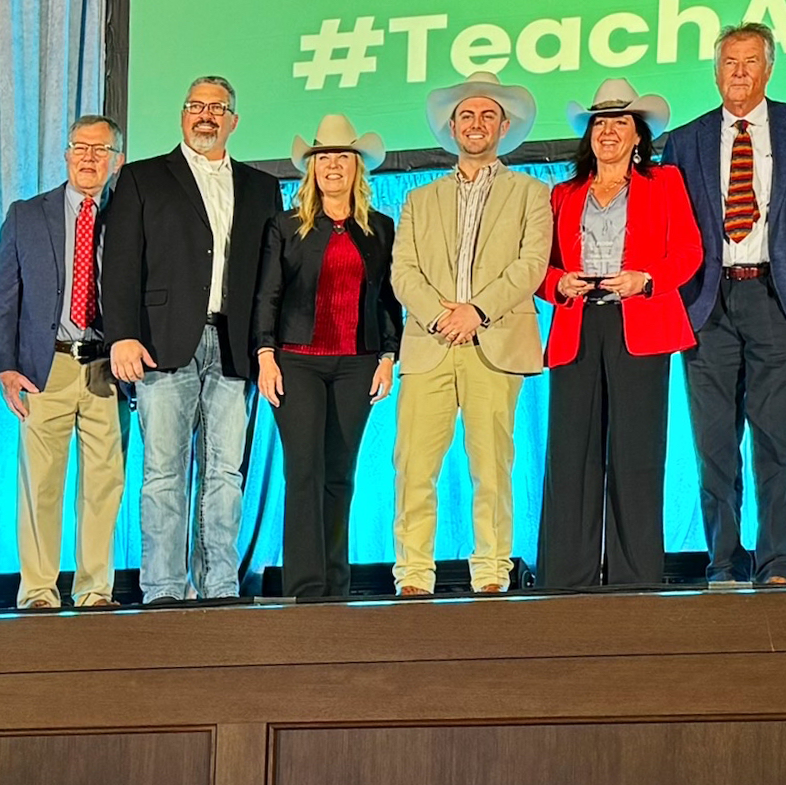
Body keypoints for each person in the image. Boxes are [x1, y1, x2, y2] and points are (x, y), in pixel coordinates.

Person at [662, 22, 786, 586]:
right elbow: (675, 225)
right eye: (729, 63)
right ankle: (724, 561)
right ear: (716, 73)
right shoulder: (684, 141)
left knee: (778, 439)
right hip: (706, 303)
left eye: (750, 61)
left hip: (775, 297)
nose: (739, 72)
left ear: (769, 69)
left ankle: (780, 560)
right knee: (714, 443)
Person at [104, 76, 283, 604]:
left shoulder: (261, 187)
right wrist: (122, 335)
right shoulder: (142, 177)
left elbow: (269, 277)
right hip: (161, 345)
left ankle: (219, 588)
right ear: (183, 114)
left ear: (234, 120)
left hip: (233, 345)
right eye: (195, 106)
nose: (205, 115)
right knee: (163, 473)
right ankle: (163, 589)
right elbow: (120, 264)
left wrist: (266, 346)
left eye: (217, 108)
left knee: (225, 473)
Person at [390, 73, 552, 595]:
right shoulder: (419, 199)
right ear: (452, 126)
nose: (476, 123)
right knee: (413, 467)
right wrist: (442, 316)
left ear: (504, 126)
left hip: (494, 344)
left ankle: (491, 572)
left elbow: (531, 266)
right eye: (466, 115)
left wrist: (476, 312)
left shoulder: (532, 193)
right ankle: (413, 574)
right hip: (429, 346)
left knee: (492, 466)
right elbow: (403, 272)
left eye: (487, 115)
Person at [537, 79, 702, 588]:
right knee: (570, 453)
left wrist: (646, 280)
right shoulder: (563, 194)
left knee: (638, 454)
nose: (608, 131)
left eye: (620, 122)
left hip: (641, 321)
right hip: (577, 323)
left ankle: (636, 577)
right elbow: (538, 268)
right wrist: (557, 283)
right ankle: (567, 576)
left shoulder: (665, 182)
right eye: (600, 123)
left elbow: (689, 252)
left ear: (638, 136)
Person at [252, 116, 402, 600]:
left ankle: (336, 585)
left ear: (357, 168)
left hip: (357, 363)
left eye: (342, 157)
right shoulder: (286, 227)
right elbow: (268, 295)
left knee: (340, 476)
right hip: (296, 363)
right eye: (323, 158)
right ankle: (306, 586)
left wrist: (388, 355)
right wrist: (266, 355)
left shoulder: (380, 229)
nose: (332, 166)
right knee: (304, 473)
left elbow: (387, 299)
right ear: (311, 169)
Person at [0, 115, 129, 609]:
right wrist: (5, 366)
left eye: (100, 149)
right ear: (66, 154)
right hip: (45, 368)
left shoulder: (130, 217)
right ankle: (38, 591)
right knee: (41, 486)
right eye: (80, 147)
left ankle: (94, 590)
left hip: (108, 370)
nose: (89, 157)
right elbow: (3, 298)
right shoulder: (27, 215)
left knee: (104, 486)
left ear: (117, 161)